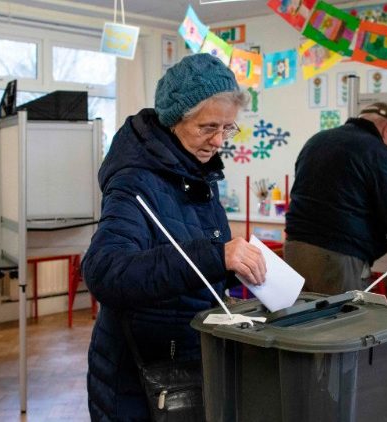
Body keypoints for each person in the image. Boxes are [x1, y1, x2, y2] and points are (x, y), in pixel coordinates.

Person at [81, 53, 266, 421]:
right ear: (174, 120)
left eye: (227, 128)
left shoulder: (197, 174)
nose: (218, 141)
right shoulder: (134, 181)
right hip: (139, 378)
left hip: (184, 361)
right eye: (207, 127)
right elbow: (104, 271)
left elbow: (189, 258)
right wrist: (215, 256)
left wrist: (234, 265)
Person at [284, 102, 387, 295]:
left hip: (295, 249)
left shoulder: (317, 140)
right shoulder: (379, 152)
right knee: (345, 322)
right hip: (338, 257)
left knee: (304, 321)